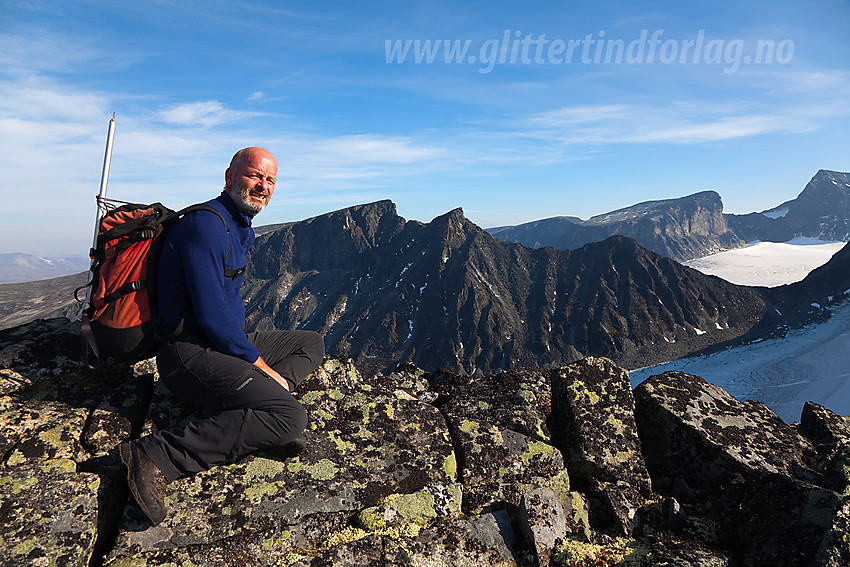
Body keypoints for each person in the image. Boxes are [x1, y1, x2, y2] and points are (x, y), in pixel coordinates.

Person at [118, 147, 324, 525]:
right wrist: (263, 368)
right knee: (289, 418)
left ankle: (257, 402)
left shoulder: (238, 223)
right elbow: (213, 320)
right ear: (230, 177)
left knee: (310, 342)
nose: (262, 186)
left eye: (270, 180)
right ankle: (156, 455)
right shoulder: (206, 227)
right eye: (254, 176)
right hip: (189, 356)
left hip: (221, 346)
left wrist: (257, 367)